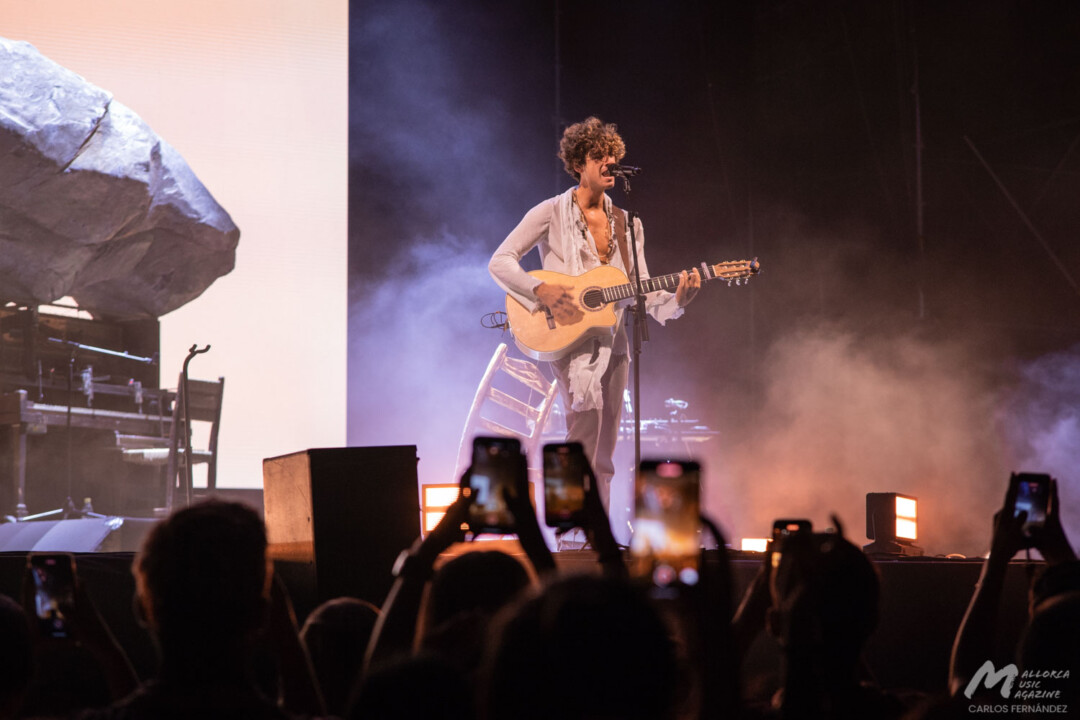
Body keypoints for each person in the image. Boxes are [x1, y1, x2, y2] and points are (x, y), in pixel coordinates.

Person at [489, 116, 700, 510]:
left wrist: (677, 302)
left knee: (606, 443)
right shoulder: (550, 212)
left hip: (614, 338)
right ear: (578, 165)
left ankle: (595, 528)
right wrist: (541, 289)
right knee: (584, 429)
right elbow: (500, 261)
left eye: (613, 155)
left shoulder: (628, 223)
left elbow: (641, 288)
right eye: (598, 155)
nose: (608, 162)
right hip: (566, 334)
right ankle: (571, 528)